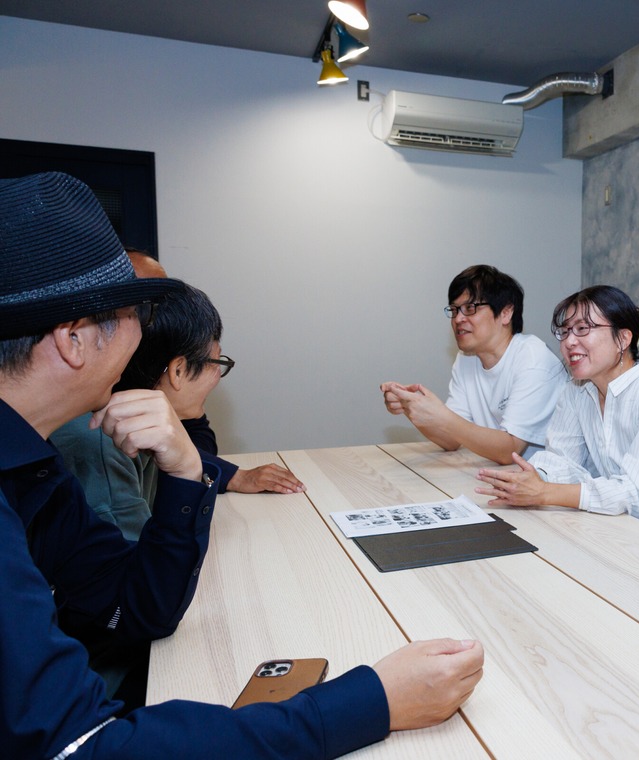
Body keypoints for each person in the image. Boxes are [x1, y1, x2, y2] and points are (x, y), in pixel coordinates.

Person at [1, 172, 483, 758]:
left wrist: (188, 472)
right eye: (136, 311)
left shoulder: (33, 467)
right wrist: (372, 703)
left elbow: (140, 609)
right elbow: (82, 747)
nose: (145, 333)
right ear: (73, 337)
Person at [475, 285, 639, 540]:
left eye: (583, 329)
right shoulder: (577, 390)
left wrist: (544, 492)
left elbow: (637, 494)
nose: (569, 342)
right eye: (565, 331)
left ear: (623, 339)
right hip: (620, 527)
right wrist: (532, 478)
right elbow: (562, 461)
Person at [122, 247, 305, 496]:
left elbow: (197, 435)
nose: (161, 308)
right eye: (145, 300)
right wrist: (233, 476)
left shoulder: (165, 381)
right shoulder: (107, 411)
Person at [381, 264, 565, 464]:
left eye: (470, 308)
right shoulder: (466, 359)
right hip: (498, 472)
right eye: (454, 310)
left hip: (546, 478)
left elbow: (509, 451)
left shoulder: (533, 359)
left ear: (506, 313)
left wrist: (442, 417)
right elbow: (451, 439)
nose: (458, 319)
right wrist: (412, 406)